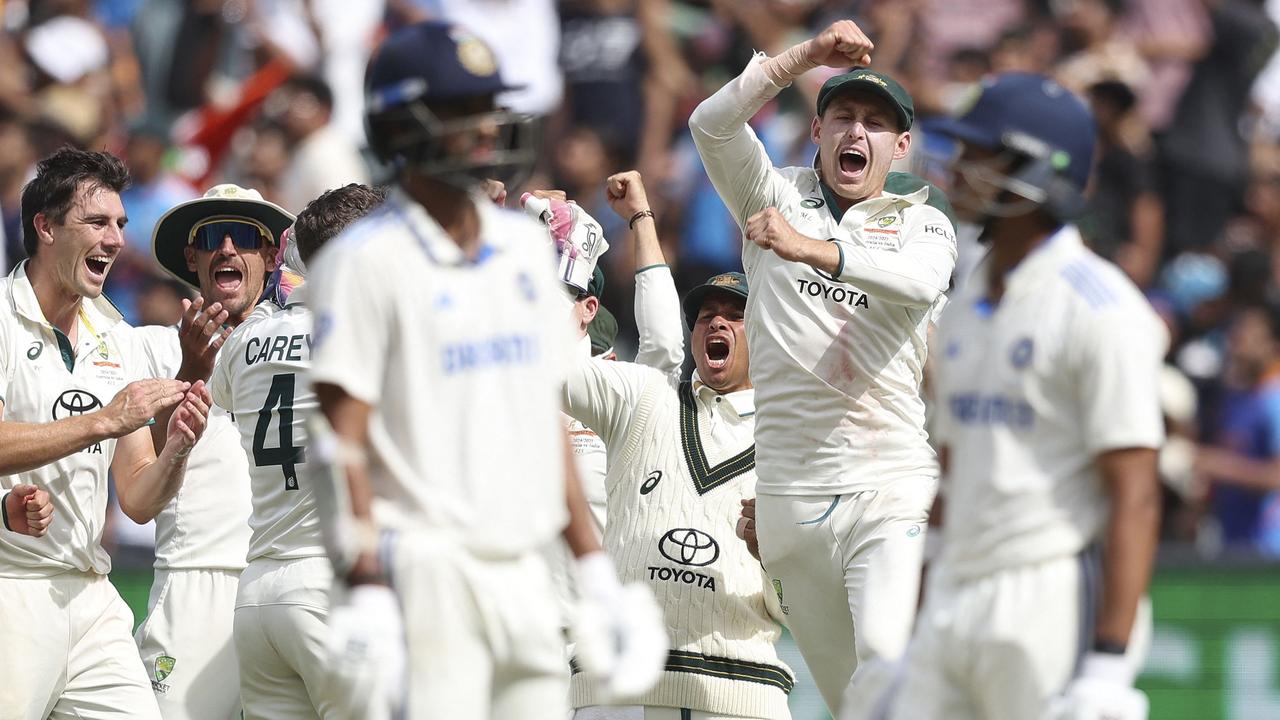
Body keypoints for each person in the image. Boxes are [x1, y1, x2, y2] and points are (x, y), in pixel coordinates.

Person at [306, 20, 665, 718]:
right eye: (459, 110)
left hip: (525, 570)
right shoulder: (362, 262)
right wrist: (367, 584)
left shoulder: (525, 253)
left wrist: (594, 572)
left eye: (487, 108)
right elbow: (338, 439)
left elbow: (542, 422)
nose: (483, 128)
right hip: (426, 573)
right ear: (400, 125)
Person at [688, 19, 957, 717]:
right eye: (843, 117)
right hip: (788, 501)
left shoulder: (924, 220)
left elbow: (921, 286)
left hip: (889, 482)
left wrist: (811, 250)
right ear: (818, 131)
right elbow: (710, 125)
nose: (856, 134)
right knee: (854, 703)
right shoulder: (772, 195)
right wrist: (803, 57)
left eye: (875, 124)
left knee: (889, 667)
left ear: (900, 148)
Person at [896, 73, 1164, 720]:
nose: (956, 169)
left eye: (978, 154)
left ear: (1036, 173)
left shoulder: (1101, 308)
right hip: (957, 592)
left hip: (1048, 593)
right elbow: (953, 477)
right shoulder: (962, 305)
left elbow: (1136, 491)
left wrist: (1106, 661)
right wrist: (917, 622)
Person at [565, 170, 794, 720]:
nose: (717, 322)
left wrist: (776, 554)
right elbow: (561, 364)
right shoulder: (645, 397)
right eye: (706, 316)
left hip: (742, 693)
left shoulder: (792, 441)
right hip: (618, 686)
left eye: (737, 316)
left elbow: (798, 610)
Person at [0, 147, 211, 719]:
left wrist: (177, 449)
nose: (116, 239)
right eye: (97, 223)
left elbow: (139, 500)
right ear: (45, 227)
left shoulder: (117, 337)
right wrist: (103, 421)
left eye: (119, 224)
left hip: (93, 595)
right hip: (10, 588)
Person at [209, 183, 386, 718]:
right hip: (332, 585)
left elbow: (222, 392)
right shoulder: (362, 331)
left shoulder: (245, 340)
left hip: (259, 593)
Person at [128, 183, 295, 719]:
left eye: (244, 235)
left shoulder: (298, 338)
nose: (227, 248)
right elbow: (140, 482)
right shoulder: (151, 345)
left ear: (271, 257)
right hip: (194, 578)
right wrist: (189, 374)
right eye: (211, 238)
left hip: (282, 577)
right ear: (192, 258)